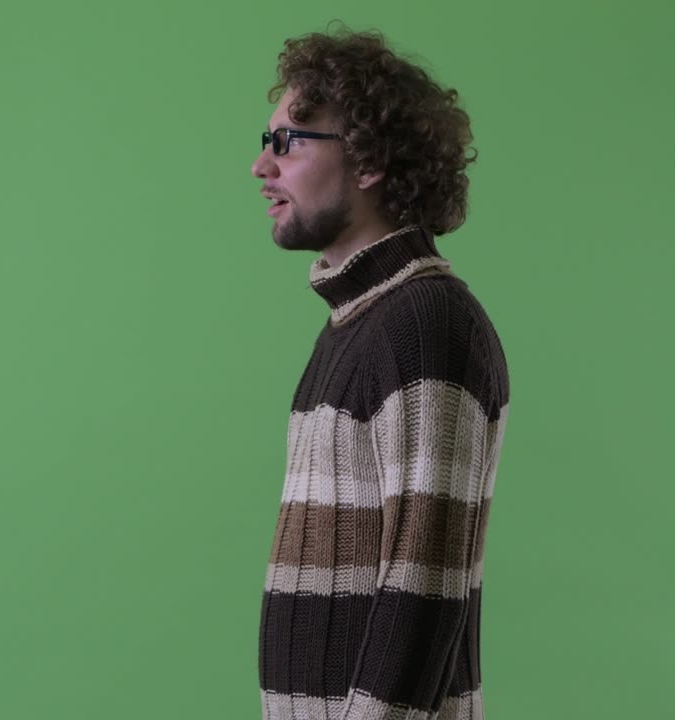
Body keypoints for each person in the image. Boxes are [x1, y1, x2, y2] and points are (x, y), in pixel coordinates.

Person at [250, 28, 510, 720]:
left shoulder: (425, 324)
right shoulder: (353, 322)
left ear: (368, 160)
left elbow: (423, 590)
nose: (260, 167)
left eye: (289, 141)